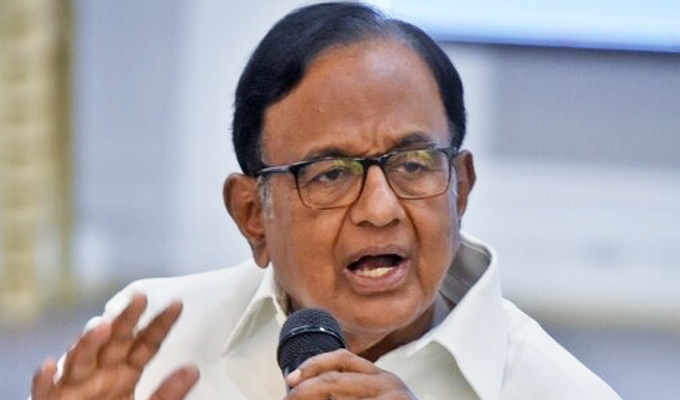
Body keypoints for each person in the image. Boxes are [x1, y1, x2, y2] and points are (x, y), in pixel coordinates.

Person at [31, 2, 622, 400]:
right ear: (253, 215)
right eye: (331, 174)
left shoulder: (559, 390)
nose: (381, 209)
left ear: (460, 188)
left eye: (413, 164)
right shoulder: (149, 350)